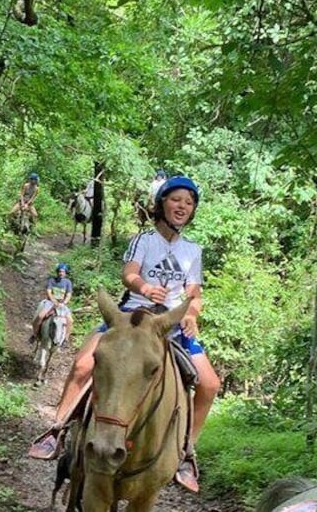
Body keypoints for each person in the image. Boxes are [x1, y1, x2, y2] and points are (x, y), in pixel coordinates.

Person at [30, 175, 221, 493]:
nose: (183, 206)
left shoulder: (192, 250)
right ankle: (58, 429)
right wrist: (145, 287)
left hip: (169, 325)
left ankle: (186, 451)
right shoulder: (143, 241)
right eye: (176, 199)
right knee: (82, 366)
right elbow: (129, 273)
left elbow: (195, 293)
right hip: (130, 318)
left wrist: (190, 313)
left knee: (210, 384)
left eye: (189, 202)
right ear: (162, 204)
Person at [29, 263, 74, 344]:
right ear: (57, 272)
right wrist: (54, 301)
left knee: (70, 320)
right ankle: (35, 334)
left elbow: (68, 294)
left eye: (63, 272)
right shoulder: (52, 280)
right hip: (50, 302)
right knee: (40, 316)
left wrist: (64, 302)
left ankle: (66, 339)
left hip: (61, 304)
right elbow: (49, 292)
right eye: (60, 271)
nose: (61, 273)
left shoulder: (68, 282)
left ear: (66, 273)